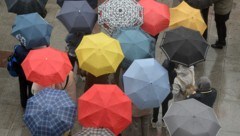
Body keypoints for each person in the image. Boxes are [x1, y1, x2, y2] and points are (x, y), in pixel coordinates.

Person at [151, 59, 177, 128]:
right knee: (165, 106)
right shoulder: (174, 73)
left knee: (156, 106)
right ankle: (163, 122)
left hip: (158, 91)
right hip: (167, 91)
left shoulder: (159, 72)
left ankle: (154, 121)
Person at [14, 44, 33, 109]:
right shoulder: (35, 52)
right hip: (31, 74)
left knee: (22, 88)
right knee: (31, 89)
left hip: (22, 74)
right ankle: (31, 103)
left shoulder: (19, 50)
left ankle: (23, 103)